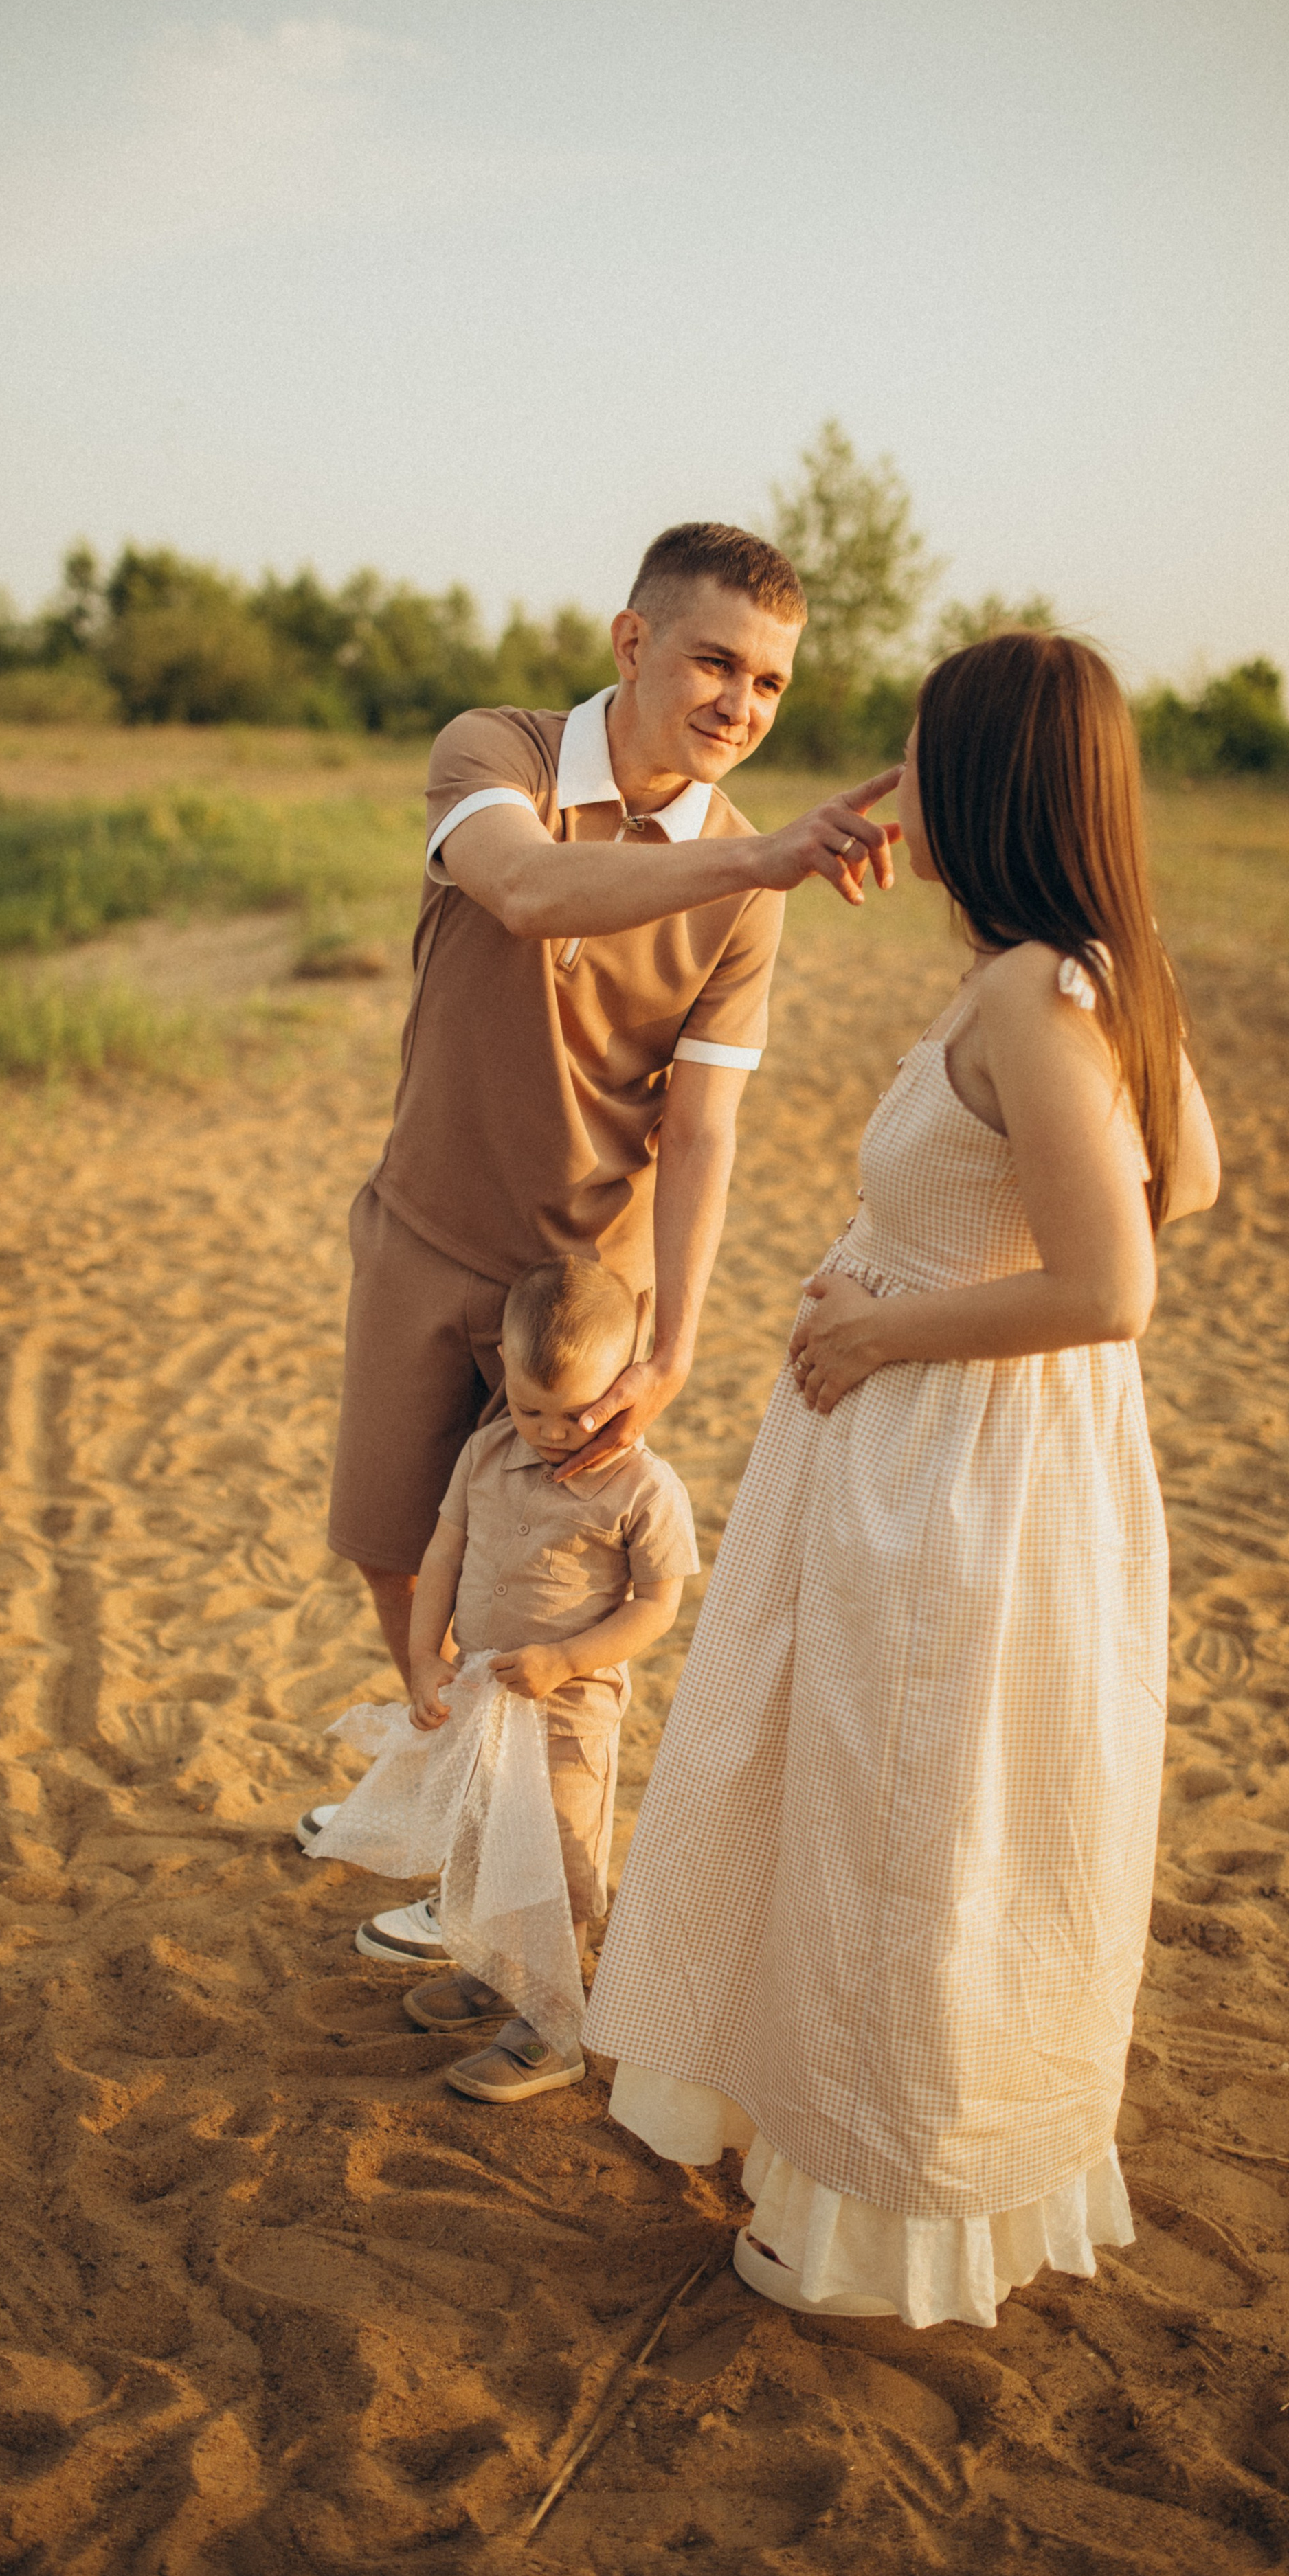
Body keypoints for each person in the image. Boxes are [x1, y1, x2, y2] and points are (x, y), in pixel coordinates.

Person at [583, 630, 1222, 2331]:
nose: (900, 782)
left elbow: (1114, 1285)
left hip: (950, 1466)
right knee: (888, 1813)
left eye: (928, 755)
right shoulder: (1092, 968)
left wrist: (885, 1322)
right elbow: (1190, 1176)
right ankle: (823, 2149)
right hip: (972, 1452)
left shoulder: (1031, 993)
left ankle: (869, 2223)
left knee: (902, 1828)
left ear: (990, 785)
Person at [313, 521, 902, 1960]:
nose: (740, 705)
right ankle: (444, 1789)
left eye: (769, 684)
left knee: (548, 1604)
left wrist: (675, 1342)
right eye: (716, 662)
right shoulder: (495, 754)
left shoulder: (743, 888)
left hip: (582, 1291)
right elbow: (521, 890)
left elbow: (700, 1131)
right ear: (633, 642)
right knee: (394, 1553)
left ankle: (493, 1875)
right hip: (420, 1233)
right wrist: (759, 856)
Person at [375, 1258, 699, 2103]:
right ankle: (497, 1973)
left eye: (576, 1413)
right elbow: (443, 1552)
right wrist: (425, 1655)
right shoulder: (486, 1452)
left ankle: (551, 2029)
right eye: (530, 1410)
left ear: (622, 1384)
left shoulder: (643, 1487)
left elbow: (658, 1607)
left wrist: (567, 1659)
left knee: (557, 1857)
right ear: (506, 1379)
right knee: (485, 1836)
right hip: (483, 1693)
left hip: (569, 1707)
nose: (552, 1432)